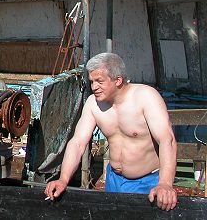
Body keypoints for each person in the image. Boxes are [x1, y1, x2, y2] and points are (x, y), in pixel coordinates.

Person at [44, 52, 178, 211]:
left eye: (99, 81)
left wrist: (165, 183)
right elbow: (78, 142)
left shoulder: (146, 97)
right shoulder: (93, 104)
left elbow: (167, 139)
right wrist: (63, 179)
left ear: (118, 80)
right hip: (114, 180)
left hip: (147, 182)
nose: (94, 87)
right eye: (92, 81)